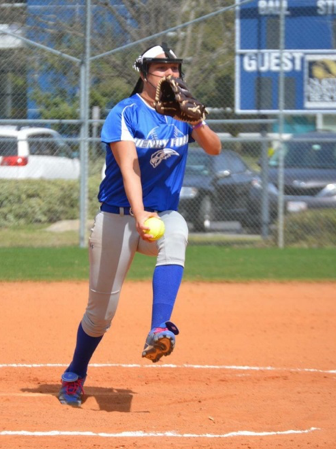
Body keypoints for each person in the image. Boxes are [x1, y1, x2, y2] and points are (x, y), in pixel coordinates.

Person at [58, 43, 222, 407]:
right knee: (100, 316)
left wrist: (196, 122)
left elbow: (214, 149)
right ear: (143, 73)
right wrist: (139, 213)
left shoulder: (182, 112)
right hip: (118, 217)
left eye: (174, 68)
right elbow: (129, 167)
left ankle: (160, 328)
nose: (169, 73)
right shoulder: (124, 113)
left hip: (161, 216)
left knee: (177, 230)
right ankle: (74, 373)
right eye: (160, 67)